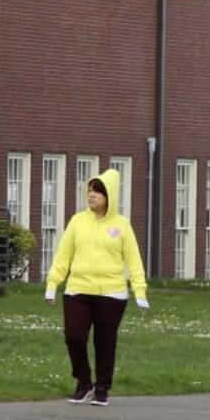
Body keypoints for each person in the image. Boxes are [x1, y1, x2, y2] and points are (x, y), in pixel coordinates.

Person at [44, 168, 148, 406]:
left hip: (111, 293)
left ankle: (102, 387)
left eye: (97, 192)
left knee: (105, 341)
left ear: (109, 196)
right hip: (78, 290)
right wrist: (53, 284)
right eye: (90, 191)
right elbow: (63, 256)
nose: (91, 196)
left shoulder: (122, 225)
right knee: (74, 337)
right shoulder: (77, 221)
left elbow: (134, 260)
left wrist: (139, 291)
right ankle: (83, 382)